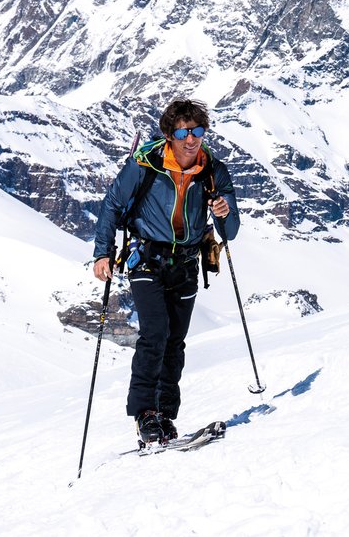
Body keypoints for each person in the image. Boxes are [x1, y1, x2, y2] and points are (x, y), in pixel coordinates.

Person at [91, 99, 240, 446]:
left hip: (187, 262)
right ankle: (145, 413)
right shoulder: (146, 162)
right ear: (169, 134)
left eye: (198, 131)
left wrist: (222, 210)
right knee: (155, 333)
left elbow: (229, 231)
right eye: (184, 132)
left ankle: (165, 415)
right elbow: (112, 204)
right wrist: (102, 253)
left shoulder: (212, 169)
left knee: (174, 341)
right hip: (147, 258)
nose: (192, 139)